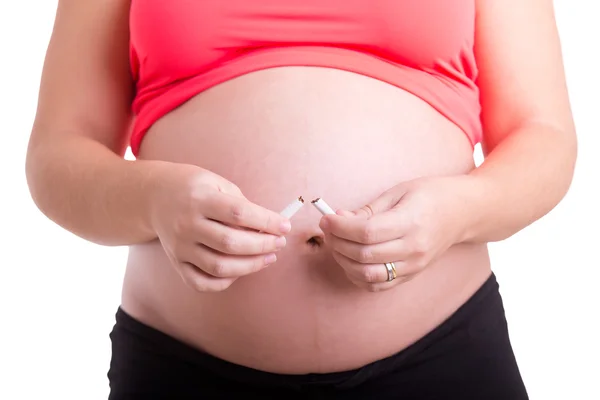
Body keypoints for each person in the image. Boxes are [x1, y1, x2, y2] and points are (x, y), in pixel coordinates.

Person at [25, 0, 576, 399]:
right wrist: (152, 200)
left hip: (441, 357)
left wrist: (456, 213)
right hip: (185, 368)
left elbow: (543, 136)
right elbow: (57, 155)